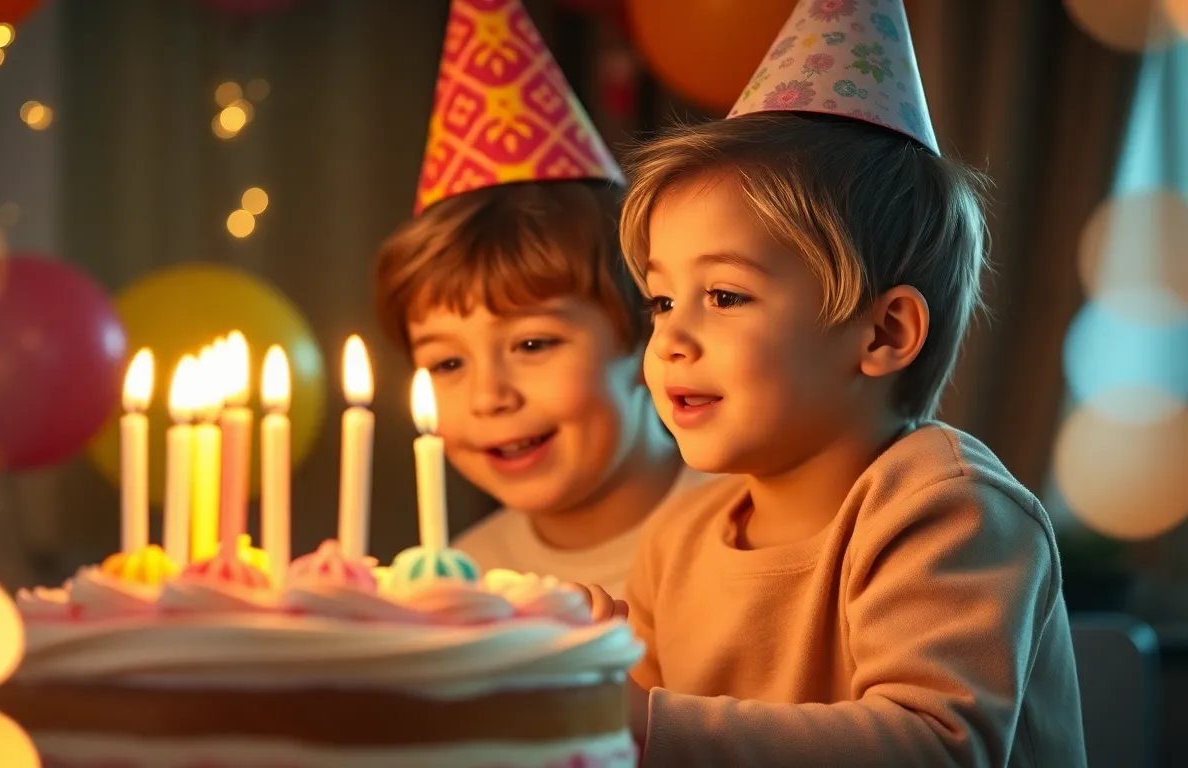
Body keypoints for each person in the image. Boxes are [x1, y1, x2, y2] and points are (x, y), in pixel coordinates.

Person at [612, 1, 1086, 764]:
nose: (670, 339)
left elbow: (936, 748)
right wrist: (585, 678)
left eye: (725, 296)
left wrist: (642, 720)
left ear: (883, 333)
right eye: (662, 301)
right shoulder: (677, 542)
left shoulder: (948, 513)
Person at [373, 0, 701, 599]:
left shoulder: (757, 533)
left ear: (649, 332)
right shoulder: (459, 584)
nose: (489, 397)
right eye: (447, 362)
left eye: (532, 344)